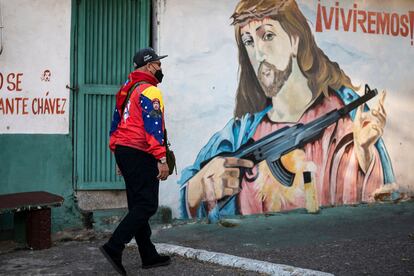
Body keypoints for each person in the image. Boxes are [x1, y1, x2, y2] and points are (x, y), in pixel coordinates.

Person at [179, 0, 395, 220]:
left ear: (295, 40)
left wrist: (366, 154)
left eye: (268, 36)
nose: (259, 54)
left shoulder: (349, 114)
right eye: (249, 42)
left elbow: (377, 204)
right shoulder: (239, 134)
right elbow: (191, 195)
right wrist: (196, 190)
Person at [100, 47, 171, 275]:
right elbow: (154, 128)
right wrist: (161, 158)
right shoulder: (150, 91)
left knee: (137, 204)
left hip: (125, 149)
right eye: (158, 64)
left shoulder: (127, 89)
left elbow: (115, 124)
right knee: (147, 205)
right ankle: (114, 247)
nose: (161, 68)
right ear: (150, 66)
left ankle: (148, 255)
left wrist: (117, 154)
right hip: (140, 151)